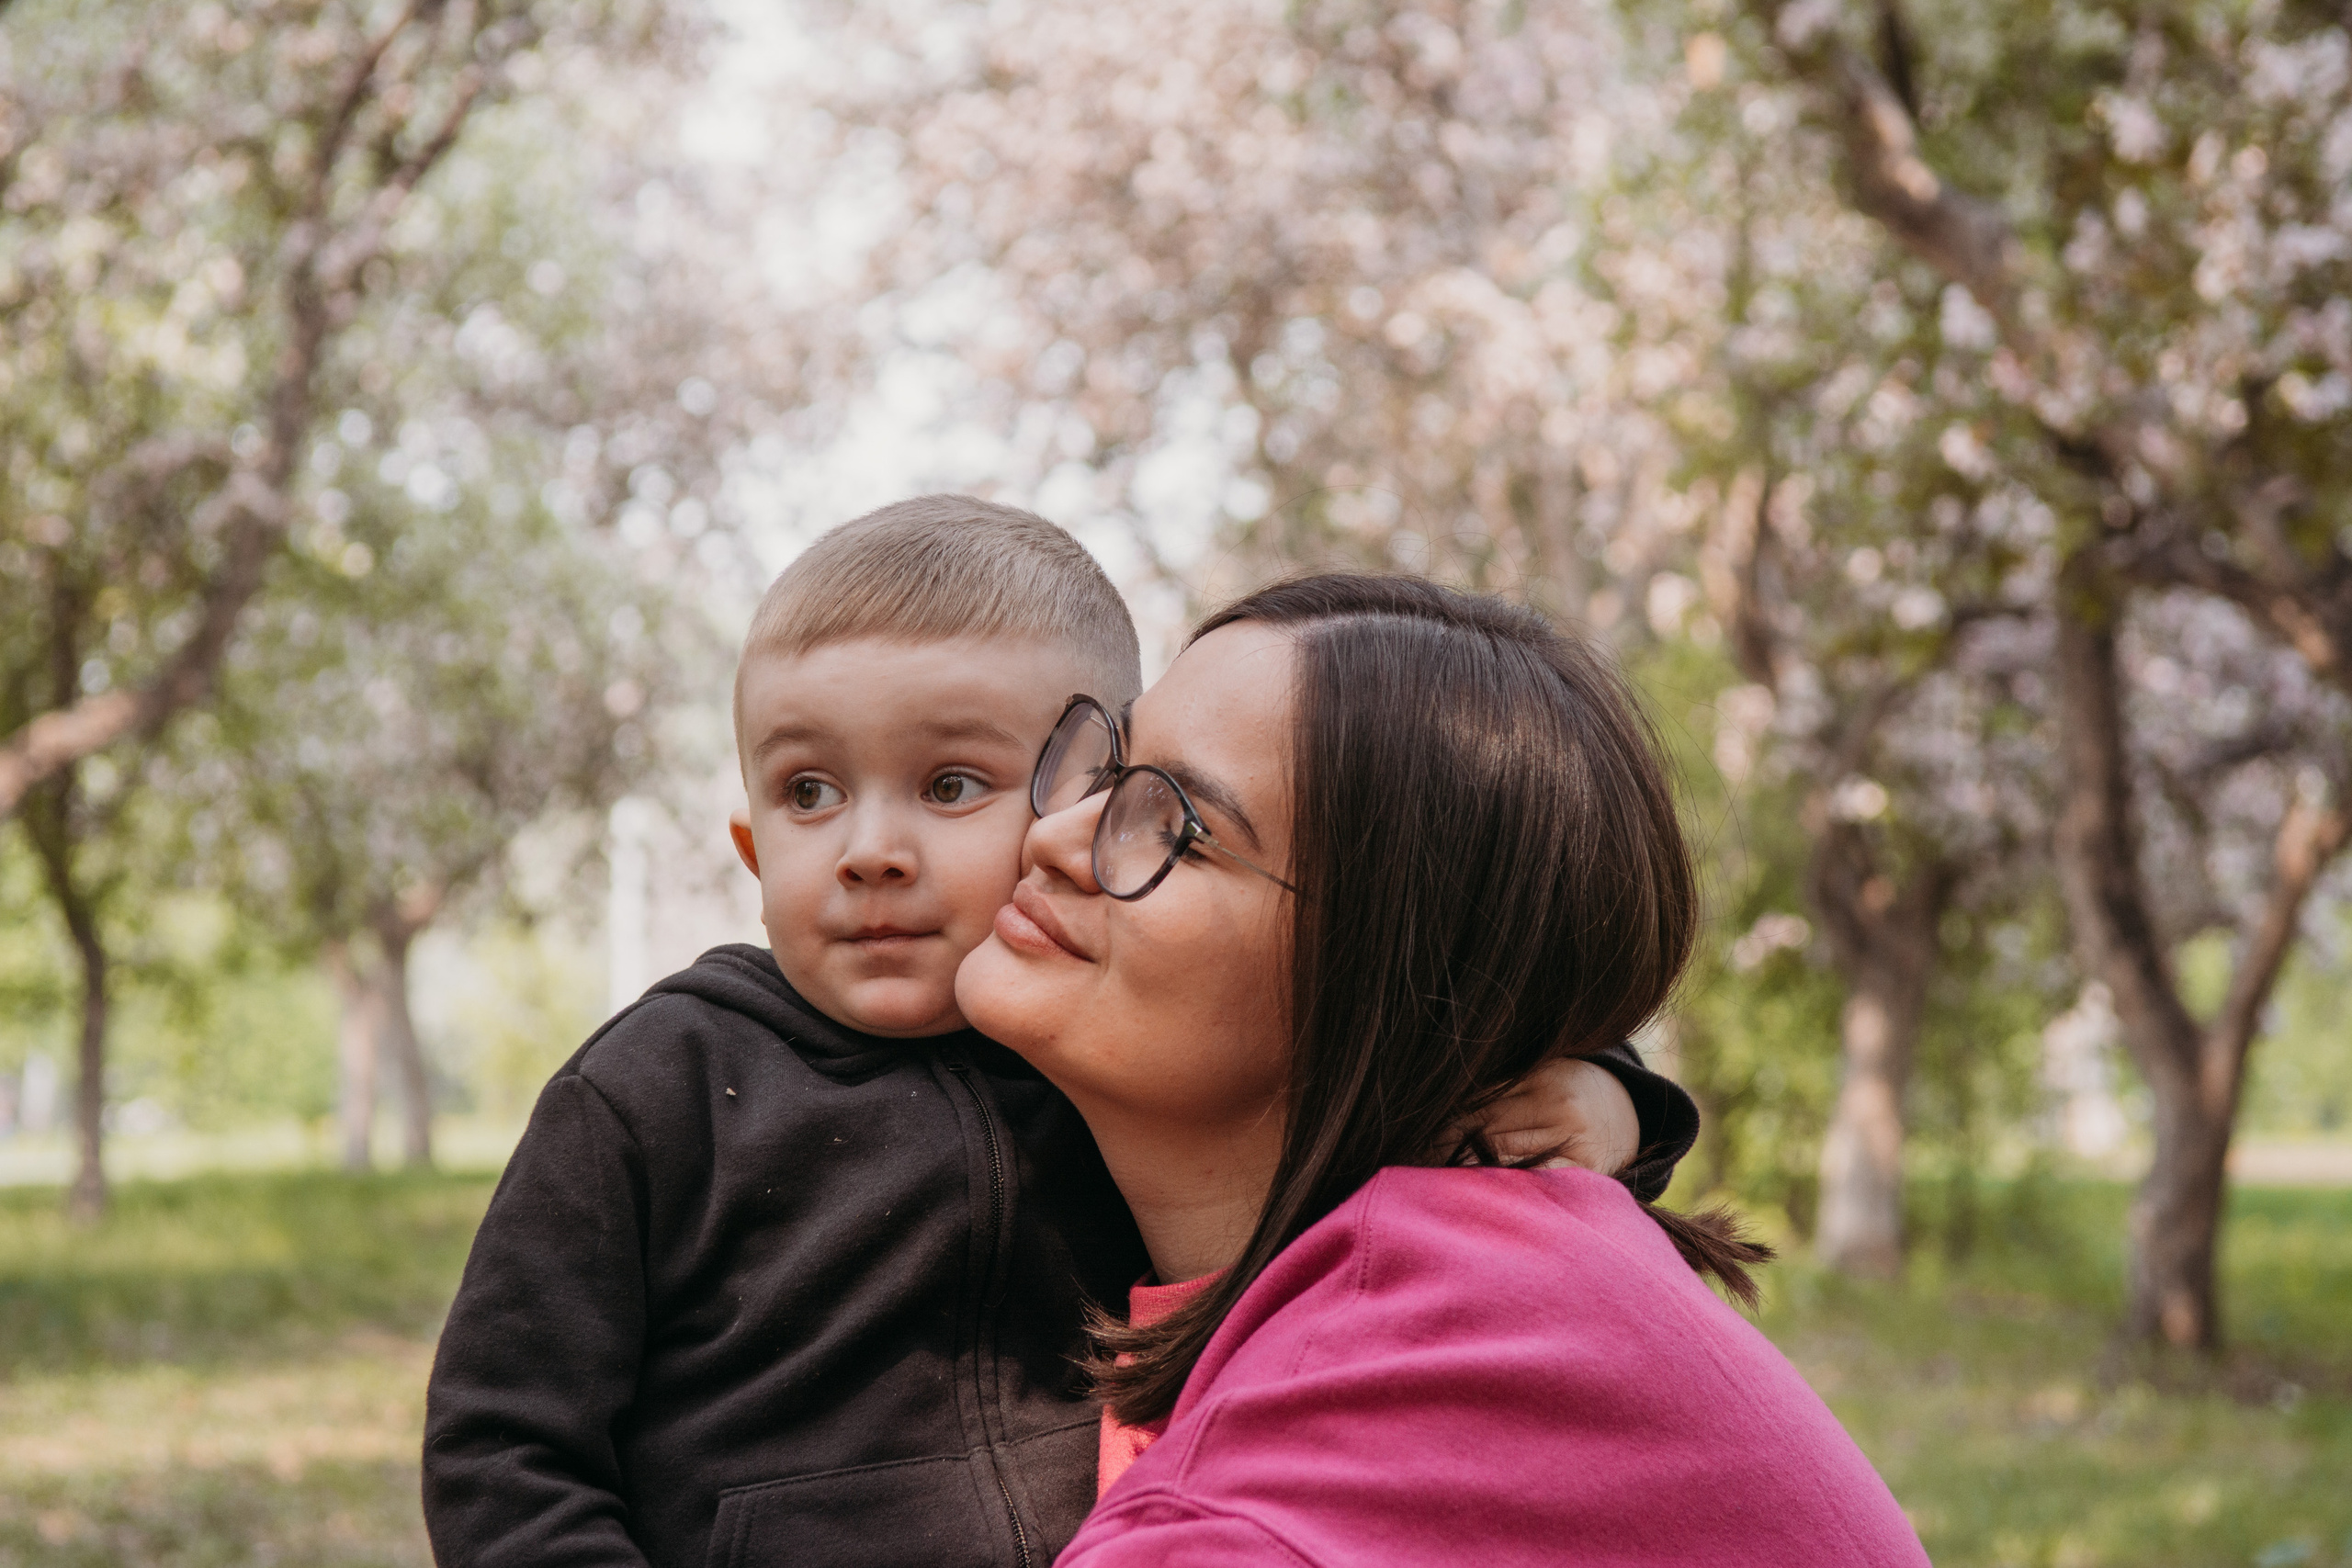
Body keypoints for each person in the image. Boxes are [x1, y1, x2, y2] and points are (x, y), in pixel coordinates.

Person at [421, 501, 1696, 1568]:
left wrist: (1613, 1100)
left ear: (1079, 802)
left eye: (951, 785)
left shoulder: (1106, 1061)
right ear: (752, 843)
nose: (869, 849)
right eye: (809, 792)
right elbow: (503, 1442)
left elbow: (1374, 1085)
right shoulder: (665, 1086)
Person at [956, 572, 1932, 1566]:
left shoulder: (1297, 1470)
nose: (1052, 836)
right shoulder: (1465, 1257)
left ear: (1386, 981)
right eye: (1107, 766)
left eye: (1179, 830)